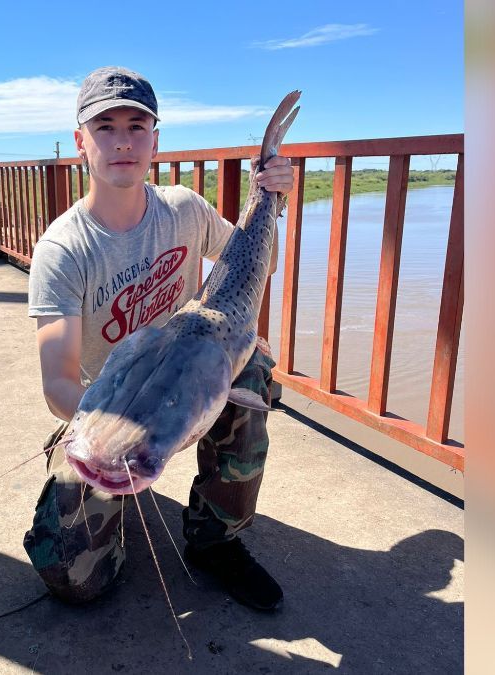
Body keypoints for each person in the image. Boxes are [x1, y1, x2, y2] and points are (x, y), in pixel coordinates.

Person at [22, 66, 293, 611]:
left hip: (192, 371)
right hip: (110, 409)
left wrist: (272, 199)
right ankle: (106, 509)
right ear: (81, 142)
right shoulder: (63, 250)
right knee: (75, 581)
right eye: (105, 127)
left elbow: (259, 266)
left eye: (136, 126)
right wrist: (117, 431)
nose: (122, 141)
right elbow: (58, 383)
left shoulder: (184, 209)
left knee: (252, 369)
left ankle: (217, 539)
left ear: (155, 141)